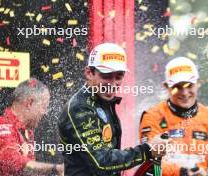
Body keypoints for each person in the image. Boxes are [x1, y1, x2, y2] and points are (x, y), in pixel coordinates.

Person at [58, 43, 168, 176]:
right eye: (106, 76)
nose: (112, 83)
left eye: (118, 76)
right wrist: (147, 150)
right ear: (89, 73)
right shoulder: (79, 108)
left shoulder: (103, 101)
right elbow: (102, 162)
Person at [139, 57, 208, 176]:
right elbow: (150, 162)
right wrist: (182, 172)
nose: (184, 92)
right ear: (167, 86)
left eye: (189, 86)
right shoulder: (152, 116)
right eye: (178, 87)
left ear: (198, 83)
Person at [0, 78, 64, 176]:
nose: (45, 113)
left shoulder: (27, 131)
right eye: (44, 107)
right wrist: (56, 169)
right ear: (29, 103)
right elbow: (13, 162)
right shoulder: (2, 126)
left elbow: (28, 172)